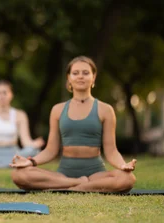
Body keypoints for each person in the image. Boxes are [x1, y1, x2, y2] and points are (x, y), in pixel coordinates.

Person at [10, 56, 136, 193]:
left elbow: (111, 151)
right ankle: (77, 183)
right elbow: (50, 150)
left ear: (93, 77)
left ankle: (74, 188)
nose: (80, 76)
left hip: (96, 174)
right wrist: (31, 162)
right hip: (64, 173)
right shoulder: (57, 110)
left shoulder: (105, 110)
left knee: (127, 179)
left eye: (86, 73)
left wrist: (123, 165)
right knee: (18, 174)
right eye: (75, 73)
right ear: (69, 78)